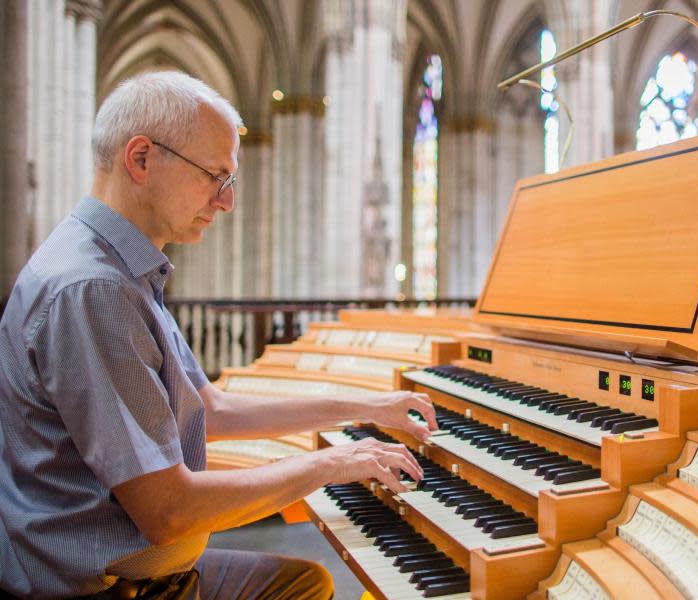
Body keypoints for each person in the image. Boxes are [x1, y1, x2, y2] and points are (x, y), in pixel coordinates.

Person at [0, 71, 437, 599]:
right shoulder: (93, 287)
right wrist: (331, 463)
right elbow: (168, 511)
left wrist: (367, 407)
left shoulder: (122, 269)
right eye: (215, 176)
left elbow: (211, 410)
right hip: (97, 589)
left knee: (306, 579)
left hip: (133, 572)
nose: (226, 201)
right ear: (141, 159)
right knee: (301, 586)